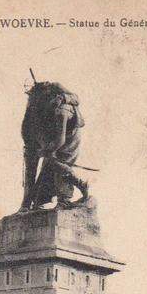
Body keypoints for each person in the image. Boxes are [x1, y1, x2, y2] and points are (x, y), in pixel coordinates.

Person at [20, 81, 89, 211]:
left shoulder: (63, 110)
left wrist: (46, 151)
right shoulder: (33, 112)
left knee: (57, 165)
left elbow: (60, 140)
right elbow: (30, 157)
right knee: (46, 175)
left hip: (68, 140)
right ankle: (32, 203)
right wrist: (25, 204)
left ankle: (67, 197)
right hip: (50, 140)